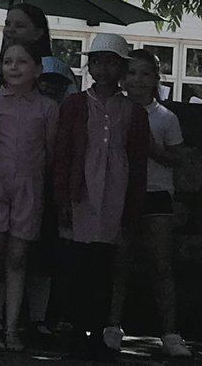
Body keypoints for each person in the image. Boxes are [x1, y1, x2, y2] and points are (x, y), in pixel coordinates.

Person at [53, 33, 149, 362]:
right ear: (89, 66)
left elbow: (137, 164)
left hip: (114, 195)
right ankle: (77, 330)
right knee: (77, 265)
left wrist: (132, 210)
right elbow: (63, 153)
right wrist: (63, 198)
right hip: (82, 195)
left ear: (121, 68)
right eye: (97, 61)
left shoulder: (134, 112)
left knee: (103, 268)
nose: (103, 68)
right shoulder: (76, 104)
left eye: (110, 62)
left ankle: (96, 330)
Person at [106, 49, 193, 358]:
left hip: (156, 193)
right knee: (119, 263)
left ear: (156, 79)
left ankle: (170, 332)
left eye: (145, 74)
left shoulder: (165, 118)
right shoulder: (114, 111)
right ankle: (111, 326)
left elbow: (178, 158)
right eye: (132, 73)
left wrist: (153, 149)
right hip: (120, 193)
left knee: (161, 264)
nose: (137, 80)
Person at [0, 41, 59, 352]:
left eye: (22, 62)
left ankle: (12, 327)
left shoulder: (49, 108)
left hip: (29, 186)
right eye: (8, 61)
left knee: (18, 256)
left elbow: (50, 152)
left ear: (37, 69)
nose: (14, 67)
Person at [0, 3, 77, 100]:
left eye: (19, 26)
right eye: (7, 24)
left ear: (38, 33)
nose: (10, 29)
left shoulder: (53, 68)